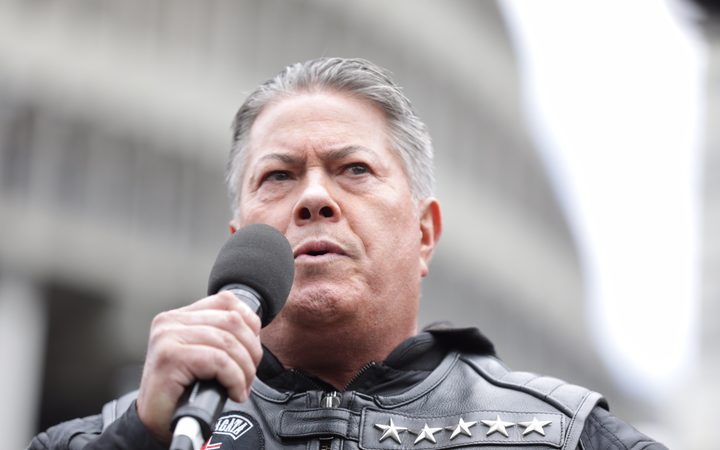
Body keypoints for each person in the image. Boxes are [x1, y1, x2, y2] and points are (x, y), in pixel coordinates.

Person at [28, 57, 667, 450]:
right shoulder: (130, 433)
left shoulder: (559, 434)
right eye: (277, 176)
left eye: (353, 169)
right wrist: (142, 437)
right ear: (239, 242)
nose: (312, 198)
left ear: (424, 233)